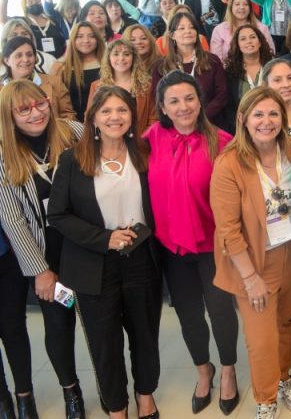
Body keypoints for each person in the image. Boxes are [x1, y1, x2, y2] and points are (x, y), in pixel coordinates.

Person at [47, 86, 162, 419]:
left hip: (141, 259)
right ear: (93, 118)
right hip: (92, 265)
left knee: (145, 336)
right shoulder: (73, 159)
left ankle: (145, 397)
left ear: (132, 116)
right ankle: (117, 406)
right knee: (105, 343)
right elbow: (57, 216)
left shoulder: (143, 152)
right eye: (107, 111)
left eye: (122, 110)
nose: (115, 117)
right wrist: (104, 238)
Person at [210, 87, 291, 419]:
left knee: (284, 323)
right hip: (254, 262)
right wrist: (250, 278)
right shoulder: (229, 164)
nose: (266, 122)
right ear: (243, 119)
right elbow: (228, 230)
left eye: (273, 114)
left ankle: (282, 378)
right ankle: (265, 399)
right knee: (261, 337)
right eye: (258, 114)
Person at [144, 71, 239, 413]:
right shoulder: (150, 139)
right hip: (171, 248)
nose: (183, 107)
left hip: (214, 246)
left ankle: (228, 370)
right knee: (188, 316)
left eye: (189, 99)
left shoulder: (223, 141)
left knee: (221, 312)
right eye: (174, 101)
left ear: (200, 102)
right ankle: (204, 369)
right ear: (163, 108)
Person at [0, 78, 86, 419]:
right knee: (58, 321)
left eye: (40, 104)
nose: (35, 113)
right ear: (10, 116)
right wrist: (41, 271)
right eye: (24, 109)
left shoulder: (74, 133)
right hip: (49, 260)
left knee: (96, 319)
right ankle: (72, 392)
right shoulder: (5, 156)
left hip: (86, 250)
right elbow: (12, 218)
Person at [153, 10, 229, 126]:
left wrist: (200, 116)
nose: (188, 31)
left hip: (210, 124)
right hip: (176, 126)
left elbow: (222, 95)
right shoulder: (161, 66)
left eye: (192, 27)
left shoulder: (212, 61)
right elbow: (159, 99)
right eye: (182, 28)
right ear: (172, 35)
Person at [87, 39, 157, 135]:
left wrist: (141, 142)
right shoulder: (96, 86)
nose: (121, 58)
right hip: (106, 142)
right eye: (116, 54)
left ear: (134, 58)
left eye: (126, 54)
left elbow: (153, 120)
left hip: (139, 143)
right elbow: (90, 118)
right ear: (109, 58)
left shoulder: (147, 86)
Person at [2, 36, 75, 119]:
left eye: (29, 55)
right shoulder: (2, 87)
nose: (25, 60)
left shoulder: (55, 82)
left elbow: (69, 117)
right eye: (19, 56)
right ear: (7, 61)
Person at [223, 24, 275, 130]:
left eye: (252, 37)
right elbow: (228, 108)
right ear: (238, 45)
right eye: (243, 39)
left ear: (260, 42)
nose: (249, 41)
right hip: (242, 128)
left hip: (272, 124)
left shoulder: (273, 67)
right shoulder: (230, 73)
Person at [52, 22, 105, 121]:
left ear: (98, 39)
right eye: (80, 36)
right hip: (72, 125)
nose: (86, 40)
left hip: (104, 122)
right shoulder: (60, 66)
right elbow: (55, 101)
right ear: (73, 39)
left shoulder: (108, 63)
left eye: (91, 36)